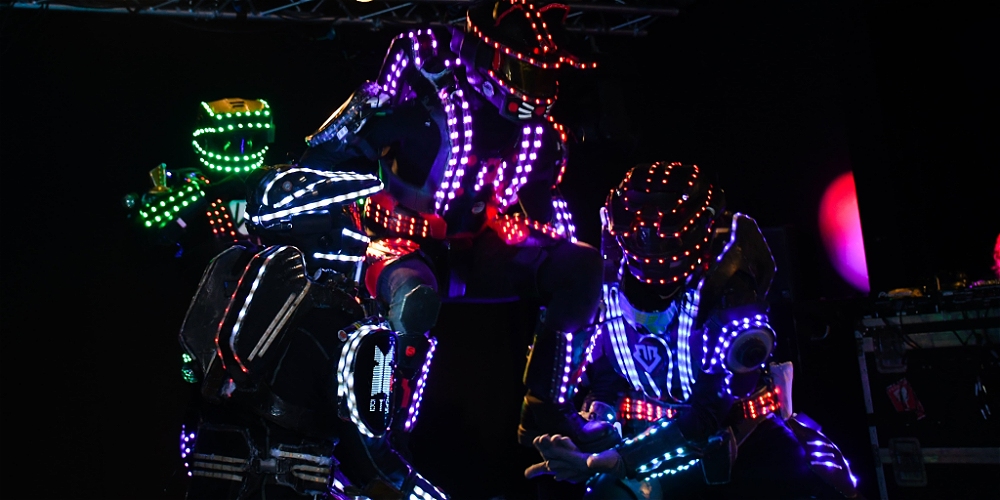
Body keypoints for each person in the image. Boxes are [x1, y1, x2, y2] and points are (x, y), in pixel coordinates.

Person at [298, 0, 617, 453]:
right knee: (415, 302)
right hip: (398, 243)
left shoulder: (540, 137)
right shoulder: (421, 107)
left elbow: (545, 210)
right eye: (523, 73)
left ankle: (545, 409)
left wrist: (551, 252)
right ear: (485, 56)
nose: (534, 92)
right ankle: (383, 434)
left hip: (476, 249)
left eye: (544, 78)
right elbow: (328, 152)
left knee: (583, 267)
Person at [524, 162, 860, 499]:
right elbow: (607, 374)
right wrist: (596, 420)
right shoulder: (607, 279)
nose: (648, 239)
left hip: (742, 441)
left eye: (664, 227)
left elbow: (708, 413)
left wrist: (622, 459)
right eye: (637, 227)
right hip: (646, 438)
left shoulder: (729, 290)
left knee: (818, 481)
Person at [177, 164, 448, 499]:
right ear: (325, 231)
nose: (358, 227)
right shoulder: (343, 323)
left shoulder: (228, 304)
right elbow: (372, 461)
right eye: (347, 213)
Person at [122, 97, 275, 265]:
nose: (242, 148)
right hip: (199, 274)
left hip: (263, 275)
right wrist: (207, 194)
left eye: (251, 140)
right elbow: (146, 229)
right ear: (203, 142)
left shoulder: (271, 185)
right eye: (227, 141)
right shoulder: (188, 181)